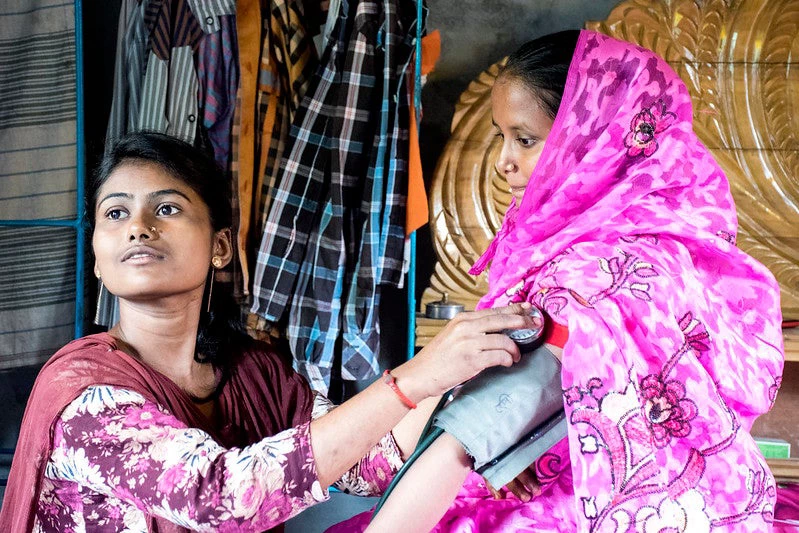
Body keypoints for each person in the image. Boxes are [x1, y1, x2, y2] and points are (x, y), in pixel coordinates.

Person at [328, 29, 785, 532]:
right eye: (501, 136)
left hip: (582, 505)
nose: (503, 160)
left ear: (595, 144)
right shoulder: (670, 238)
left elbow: (468, 434)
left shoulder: (589, 279)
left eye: (524, 139)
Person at [0, 131, 539, 532]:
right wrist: (417, 377)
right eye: (115, 214)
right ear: (95, 257)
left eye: (166, 208)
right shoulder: (83, 393)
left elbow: (369, 462)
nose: (138, 226)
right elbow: (221, 495)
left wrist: (462, 385)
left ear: (221, 247)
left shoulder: (253, 373)